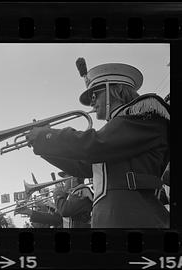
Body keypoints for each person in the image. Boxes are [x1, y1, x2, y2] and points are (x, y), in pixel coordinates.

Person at [26, 58, 170, 228]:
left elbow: (95, 144)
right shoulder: (119, 131)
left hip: (134, 218)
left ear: (113, 89)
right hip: (113, 218)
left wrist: (47, 136)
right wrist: (42, 145)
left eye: (94, 95)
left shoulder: (143, 116)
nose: (92, 103)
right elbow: (82, 166)